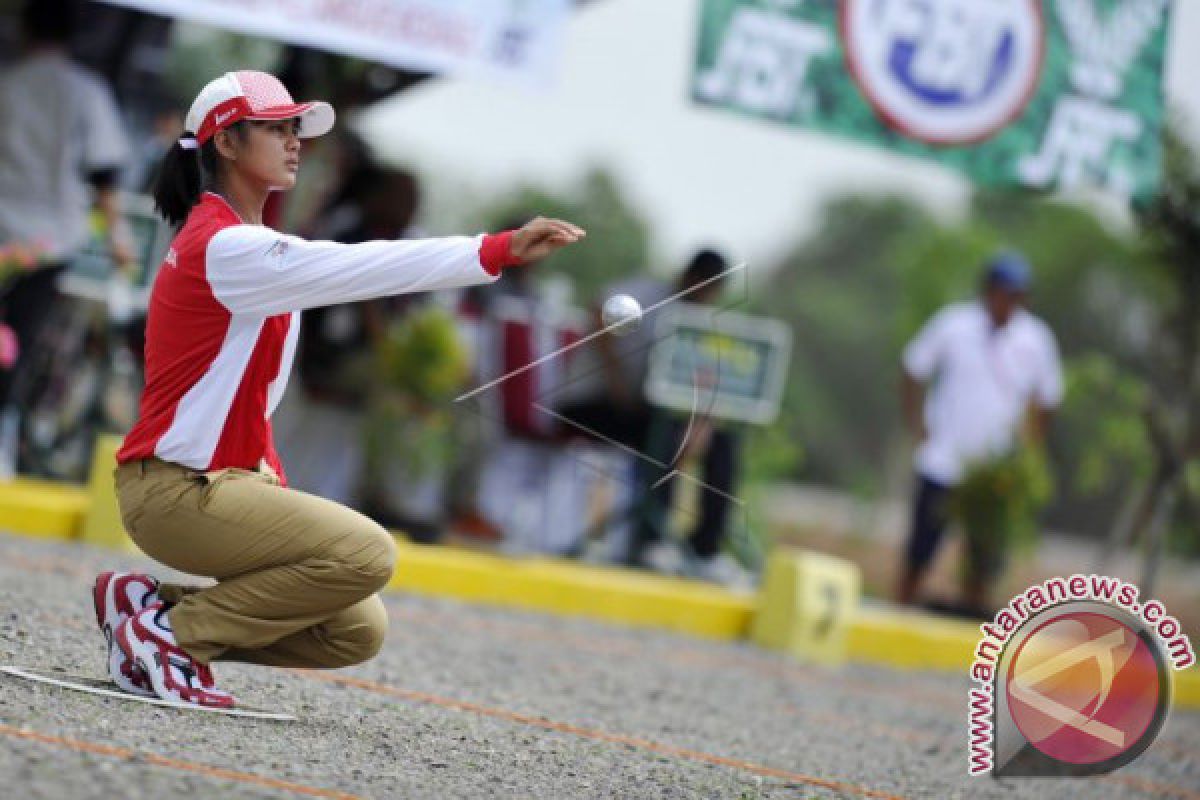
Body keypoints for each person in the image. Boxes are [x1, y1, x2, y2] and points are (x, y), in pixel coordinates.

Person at [92, 70, 584, 707]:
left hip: (219, 483)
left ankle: (150, 606)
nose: (294, 140)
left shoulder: (248, 245)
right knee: (368, 554)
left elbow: (250, 397)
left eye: (296, 127)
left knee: (355, 628)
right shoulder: (226, 246)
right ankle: (175, 637)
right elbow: (359, 267)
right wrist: (493, 251)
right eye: (275, 127)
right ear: (227, 144)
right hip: (177, 490)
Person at [0, 0, 132, 476]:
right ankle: (6, 441)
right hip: (49, 241)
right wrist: (118, 236)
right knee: (23, 341)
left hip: (2, 230)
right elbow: (105, 173)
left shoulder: (8, 84)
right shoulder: (86, 91)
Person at [895, 251, 1063, 615]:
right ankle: (901, 607)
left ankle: (969, 625)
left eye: (1017, 296)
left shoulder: (1036, 339)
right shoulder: (954, 325)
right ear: (987, 291)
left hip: (994, 470)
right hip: (942, 458)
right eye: (1004, 293)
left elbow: (1048, 398)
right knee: (921, 547)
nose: (1010, 303)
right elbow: (913, 367)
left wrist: (1029, 449)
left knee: (984, 557)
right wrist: (917, 424)